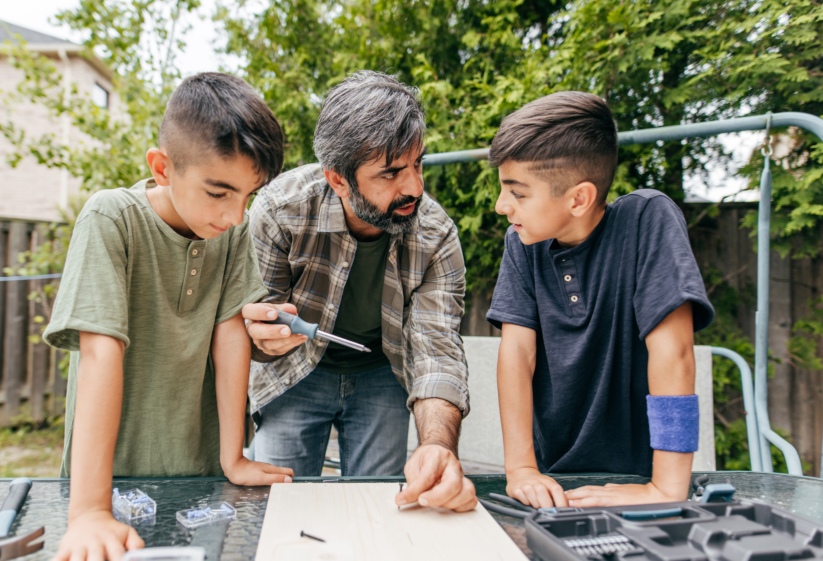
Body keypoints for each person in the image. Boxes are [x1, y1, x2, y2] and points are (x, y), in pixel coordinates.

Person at [44, 72, 294, 561]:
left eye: (249, 196)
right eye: (219, 193)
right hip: (112, 479)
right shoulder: (110, 218)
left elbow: (230, 337)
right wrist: (90, 511)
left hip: (199, 477)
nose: (235, 216)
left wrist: (233, 456)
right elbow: (100, 352)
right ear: (162, 168)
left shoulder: (232, 234)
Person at [240, 71, 477, 512]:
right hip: (294, 372)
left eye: (418, 164)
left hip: (382, 375)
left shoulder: (437, 233)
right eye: (390, 173)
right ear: (338, 180)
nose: (414, 188)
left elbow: (436, 350)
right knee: (278, 507)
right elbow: (253, 327)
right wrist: (262, 340)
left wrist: (438, 447)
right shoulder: (279, 210)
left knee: (383, 505)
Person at [488, 91, 715, 508]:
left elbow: (674, 352)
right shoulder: (522, 243)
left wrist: (665, 489)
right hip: (554, 478)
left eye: (518, 193)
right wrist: (521, 470)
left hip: (640, 478)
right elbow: (517, 353)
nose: (502, 205)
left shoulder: (648, 220)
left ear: (579, 198)